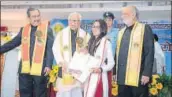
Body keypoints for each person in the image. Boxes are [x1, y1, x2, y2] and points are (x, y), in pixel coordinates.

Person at [0, 8, 54, 97]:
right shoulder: (23, 30)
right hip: (25, 69)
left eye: (38, 16)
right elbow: (13, 43)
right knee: (25, 93)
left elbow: (49, 49)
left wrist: (48, 65)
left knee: (40, 93)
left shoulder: (47, 30)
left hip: (41, 68)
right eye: (34, 16)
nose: (37, 18)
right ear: (28, 18)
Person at [114, 6, 154, 97]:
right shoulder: (121, 32)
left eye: (125, 14)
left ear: (133, 15)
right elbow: (117, 54)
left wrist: (147, 73)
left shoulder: (144, 29)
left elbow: (149, 53)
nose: (122, 16)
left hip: (138, 77)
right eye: (122, 14)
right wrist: (115, 72)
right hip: (122, 77)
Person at [52, 12, 90, 97]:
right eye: (72, 21)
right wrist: (61, 62)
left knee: (77, 93)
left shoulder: (86, 35)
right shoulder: (61, 34)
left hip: (78, 70)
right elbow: (55, 49)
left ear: (80, 22)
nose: (74, 23)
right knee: (63, 93)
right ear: (68, 21)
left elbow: (89, 52)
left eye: (76, 21)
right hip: (64, 68)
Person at [84, 19, 115, 97]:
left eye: (97, 27)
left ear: (103, 28)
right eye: (93, 26)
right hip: (88, 76)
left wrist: (101, 69)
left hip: (99, 77)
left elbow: (111, 63)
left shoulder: (106, 42)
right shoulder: (90, 41)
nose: (94, 29)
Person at [103, 12, 118, 97]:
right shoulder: (100, 32)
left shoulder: (117, 32)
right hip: (102, 63)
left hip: (113, 62)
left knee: (112, 86)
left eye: (109, 20)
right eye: (105, 20)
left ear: (112, 21)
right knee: (103, 86)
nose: (107, 22)